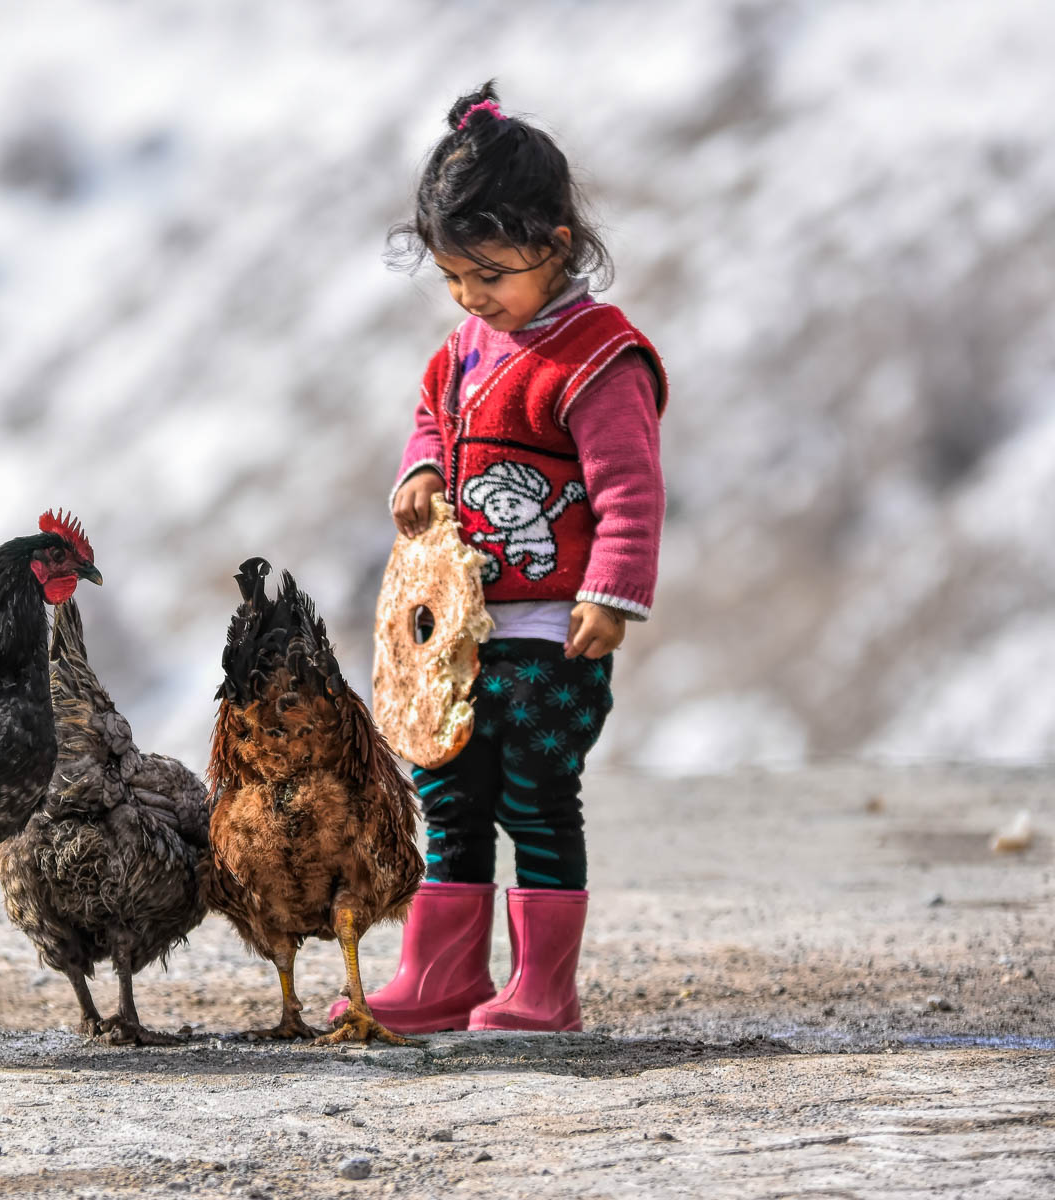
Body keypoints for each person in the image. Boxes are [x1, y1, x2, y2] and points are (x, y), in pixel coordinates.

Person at [335, 82, 667, 1034]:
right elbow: (430, 421)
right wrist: (421, 471)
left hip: (551, 636)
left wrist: (611, 596)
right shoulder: (466, 350)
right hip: (461, 641)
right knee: (449, 791)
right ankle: (443, 977)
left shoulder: (601, 361)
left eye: (490, 275)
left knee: (534, 795)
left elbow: (631, 490)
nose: (473, 298)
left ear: (555, 240)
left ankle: (542, 991)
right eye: (455, 280)